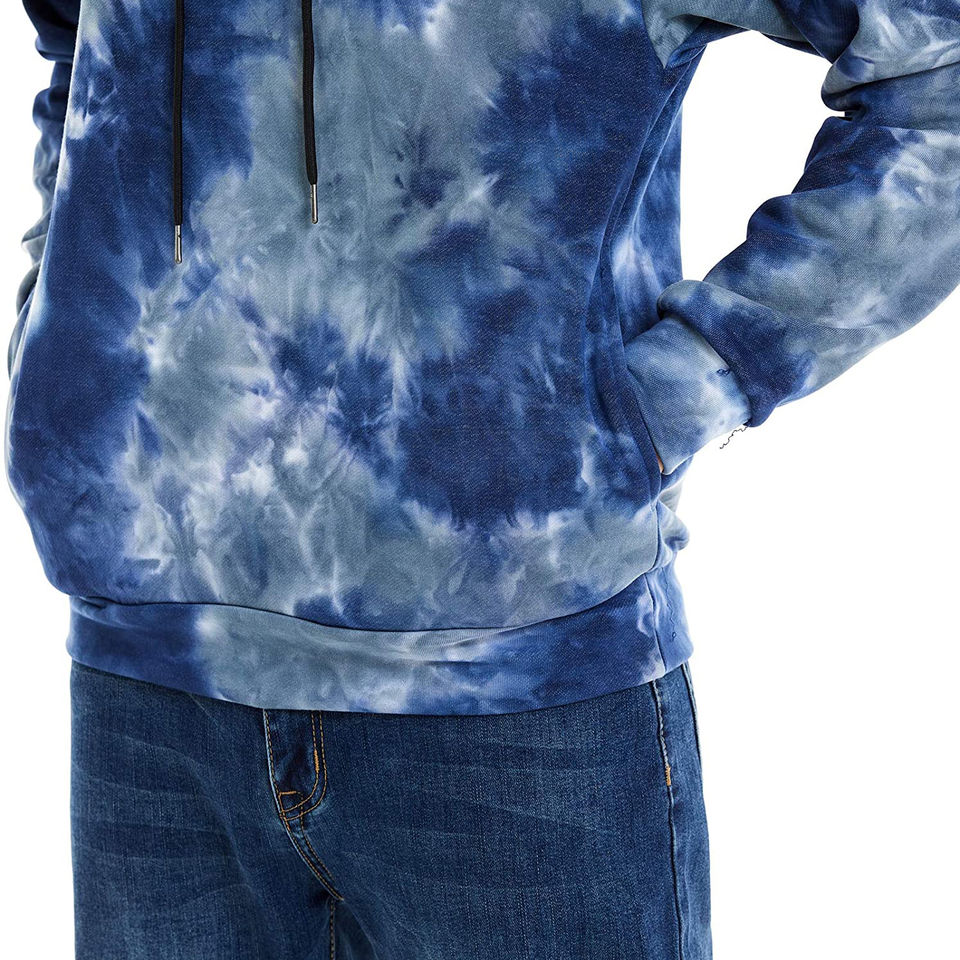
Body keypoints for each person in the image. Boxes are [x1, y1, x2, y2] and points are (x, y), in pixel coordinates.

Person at [7, 1, 958, 957]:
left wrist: (699, 377)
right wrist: (63, 319)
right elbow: (79, 41)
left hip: (513, 688)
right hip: (149, 662)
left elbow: (937, 74)